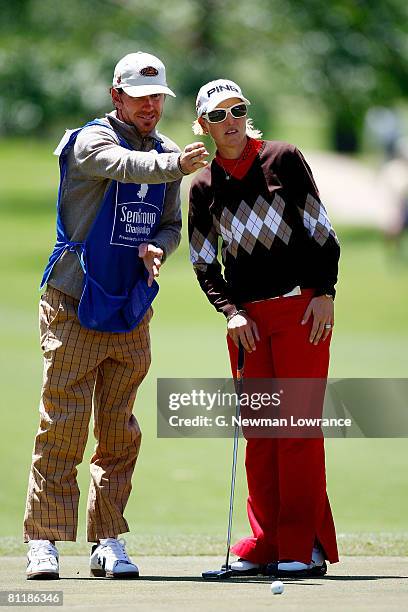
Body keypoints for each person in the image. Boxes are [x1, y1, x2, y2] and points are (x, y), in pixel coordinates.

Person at [24, 51, 208, 580]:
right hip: (74, 302)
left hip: (130, 305)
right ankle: (44, 541)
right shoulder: (90, 141)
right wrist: (177, 165)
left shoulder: (168, 152)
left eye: (158, 97)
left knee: (120, 431)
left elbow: (170, 224)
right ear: (116, 96)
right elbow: (127, 167)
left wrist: (158, 248)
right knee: (62, 425)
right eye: (141, 96)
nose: (151, 106)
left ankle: (108, 539)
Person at [188, 79, 340, 577]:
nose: (229, 120)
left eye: (238, 110)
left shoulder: (283, 159)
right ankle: (264, 543)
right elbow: (204, 263)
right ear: (203, 126)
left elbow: (320, 230)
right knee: (260, 433)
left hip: (301, 310)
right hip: (248, 321)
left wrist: (324, 293)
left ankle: (303, 546)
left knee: (296, 430)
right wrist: (230, 312)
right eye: (218, 115)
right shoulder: (205, 185)